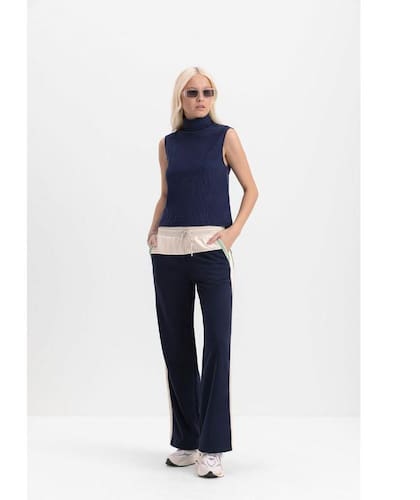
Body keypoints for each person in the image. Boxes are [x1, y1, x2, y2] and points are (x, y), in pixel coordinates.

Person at [147, 66, 259, 478]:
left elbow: (251, 189)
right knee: (176, 346)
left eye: (207, 92)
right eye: (192, 92)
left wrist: (232, 233)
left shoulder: (225, 137)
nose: (200, 99)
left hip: (211, 250)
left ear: (214, 97)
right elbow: (165, 194)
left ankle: (212, 448)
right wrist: (152, 232)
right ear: (180, 97)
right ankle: (188, 439)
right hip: (168, 251)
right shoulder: (168, 144)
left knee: (217, 346)